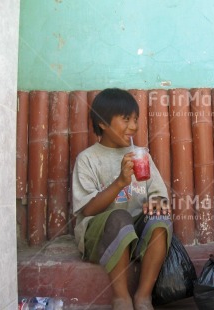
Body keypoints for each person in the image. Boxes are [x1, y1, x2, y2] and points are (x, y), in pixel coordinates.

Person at [72, 88, 172, 310]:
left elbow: (160, 198)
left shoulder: (141, 156)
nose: (134, 127)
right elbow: (87, 210)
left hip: (137, 235)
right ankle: (121, 297)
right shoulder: (88, 159)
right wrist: (119, 183)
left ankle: (144, 296)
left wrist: (156, 204)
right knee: (119, 217)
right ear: (103, 124)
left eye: (135, 120)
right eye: (126, 120)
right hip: (99, 235)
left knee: (160, 220)